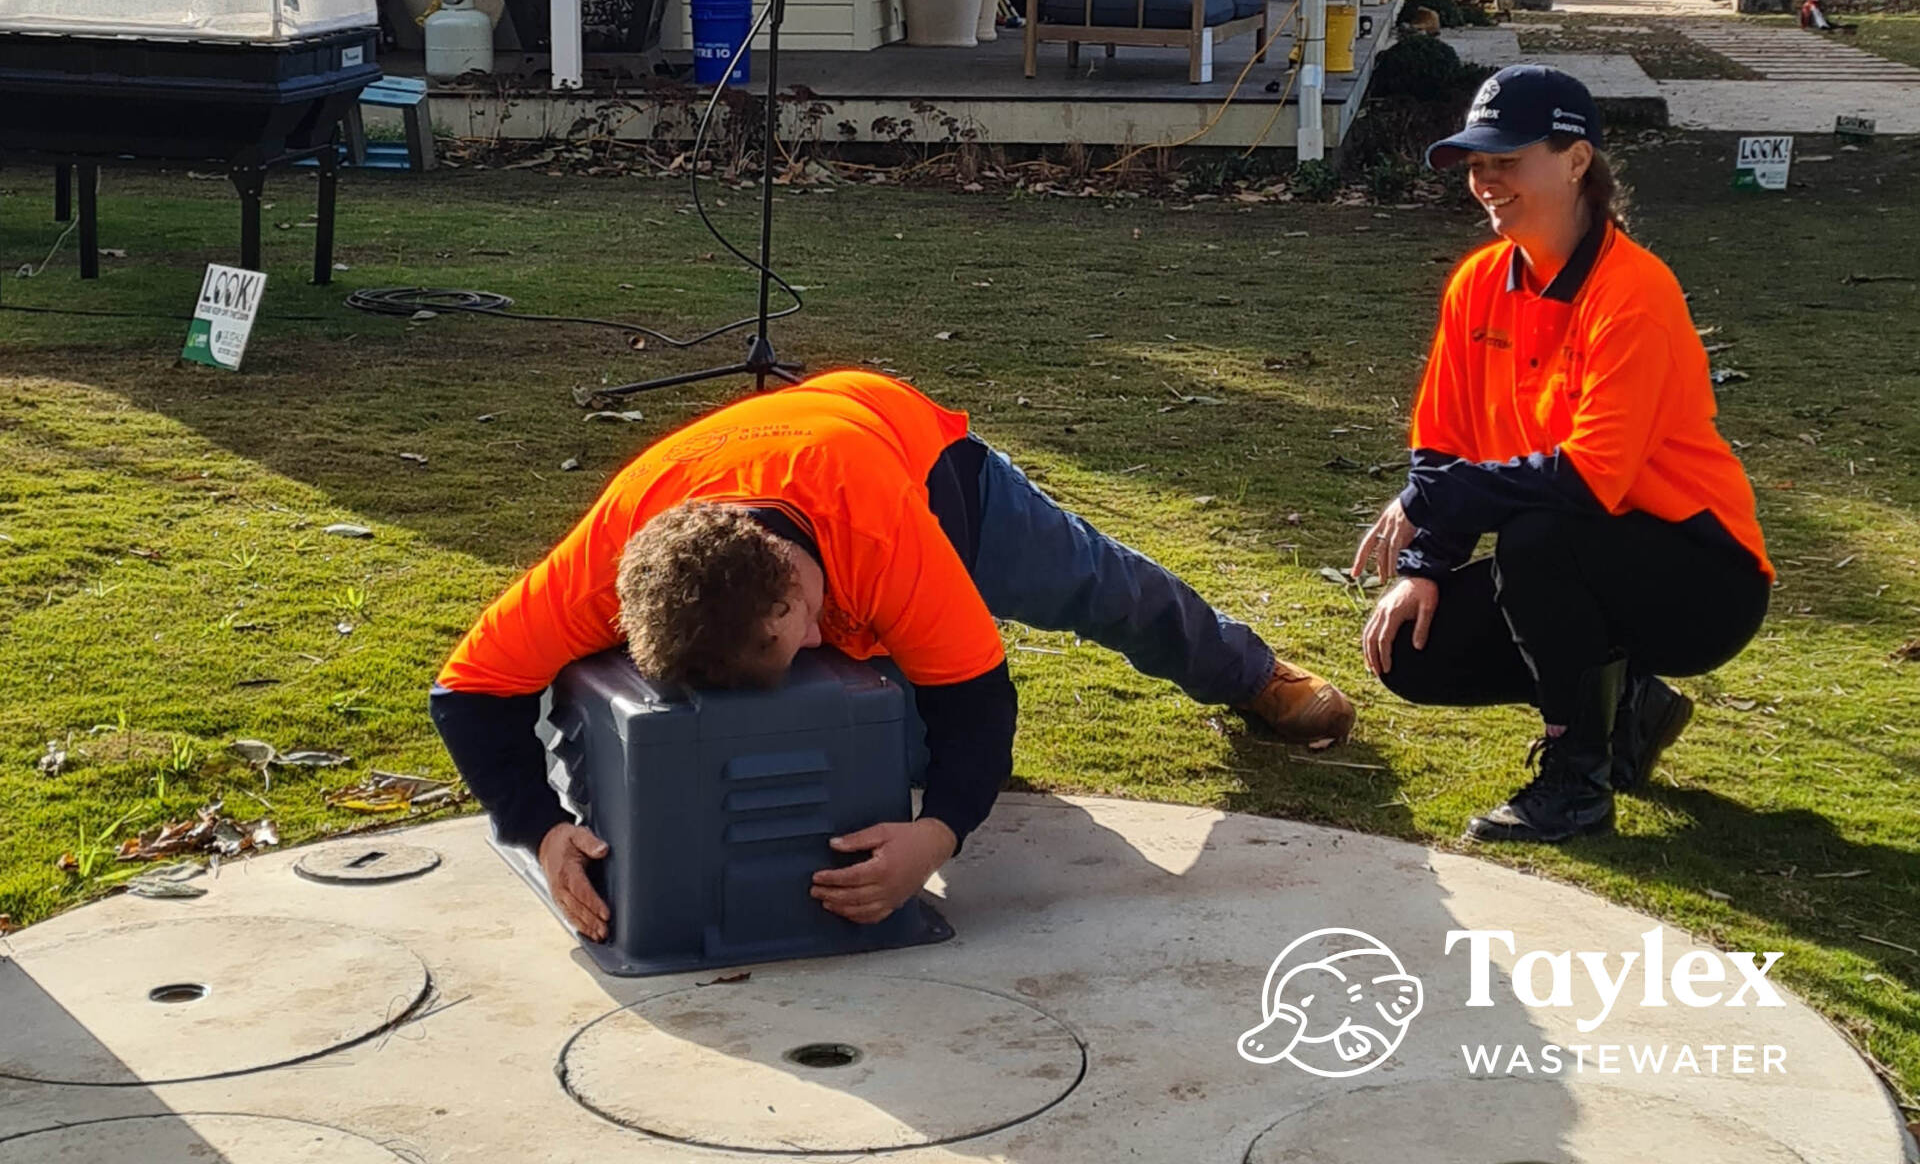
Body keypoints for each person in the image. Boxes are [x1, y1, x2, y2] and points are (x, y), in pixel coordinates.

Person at [431, 370, 1354, 942]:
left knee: (1110, 592)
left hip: (924, 466)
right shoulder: (608, 562)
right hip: (775, 474)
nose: (812, 660)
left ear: (800, 595)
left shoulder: (889, 544)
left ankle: (1251, 674)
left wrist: (937, 836)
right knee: (900, 745)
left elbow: (982, 700)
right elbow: (469, 691)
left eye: (801, 645)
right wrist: (541, 826)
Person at [1349, 65, 1773, 845]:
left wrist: (1432, 504)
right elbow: (1442, 452)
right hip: (1582, 545)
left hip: (1705, 577)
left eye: (1507, 160)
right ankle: (1628, 708)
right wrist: (1425, 568)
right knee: (1413, 653)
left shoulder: (1634, 292)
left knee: (1541, 536)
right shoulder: (1477, 282)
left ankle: (1577, 781)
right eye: (1476, 165)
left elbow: (1588, 479)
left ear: (1577, 161)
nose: (1486, 181)